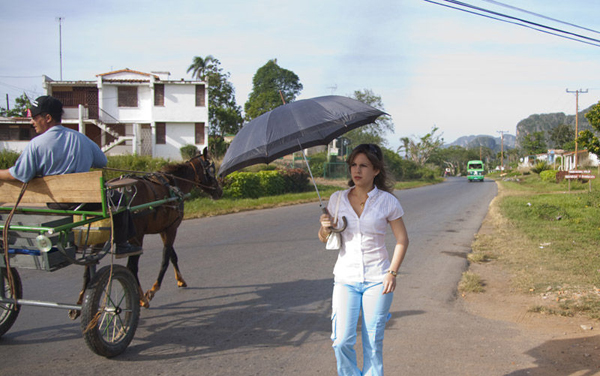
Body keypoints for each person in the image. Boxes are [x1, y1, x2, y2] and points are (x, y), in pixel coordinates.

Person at [0, 95, 141, 258]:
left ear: (47, 118)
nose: (32, 121)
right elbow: (102, 161)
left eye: (34, 118)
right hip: (84, 201)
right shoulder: (81, 138)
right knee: (120, 199)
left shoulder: (36, 144)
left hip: (56, 203)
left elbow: (19, 174)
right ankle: (122, 244)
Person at [318, 143, 409, 376]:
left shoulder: (387, 202)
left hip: (378, 279)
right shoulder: (337, 199)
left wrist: (392, 272)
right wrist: (325, 228)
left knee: (372, 344)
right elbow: (323, 238)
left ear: (376, 170)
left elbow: (402, 239)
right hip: (345, 279)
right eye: (353, 165)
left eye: (363, 166)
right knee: (341, 341)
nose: (357, 171)